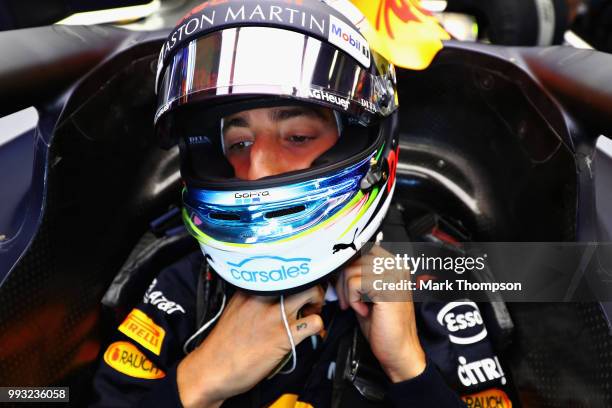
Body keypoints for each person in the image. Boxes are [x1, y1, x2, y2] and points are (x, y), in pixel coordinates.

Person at [91, 1, 516, 407]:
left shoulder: (431, 291)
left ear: (357, 137)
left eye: (296, 137)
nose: (257, 167)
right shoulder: (182, 285)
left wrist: (407, 365)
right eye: (238, 142)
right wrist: (201, 380)